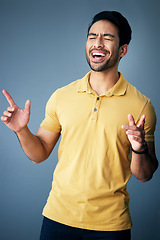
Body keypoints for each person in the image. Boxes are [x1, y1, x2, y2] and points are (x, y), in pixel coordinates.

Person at [1, 11, 158, 240]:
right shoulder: (61, 96)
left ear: (123, 49)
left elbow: (144, 175)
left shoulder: (142, 106)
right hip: (57, 218)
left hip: (111, 226)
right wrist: (21, 130)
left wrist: (138, 147)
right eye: (92, 36)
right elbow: (39, 154)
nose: (98, 43)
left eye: (108, 37)